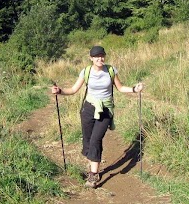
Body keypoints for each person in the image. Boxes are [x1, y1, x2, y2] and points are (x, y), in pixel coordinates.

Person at [51, 45, 144, 188]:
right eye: (96, 57)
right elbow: (73, 89)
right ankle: (92, 166)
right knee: (88, 141)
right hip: (88, 109)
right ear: (91, 58)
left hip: (105, 110)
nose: (100, 59)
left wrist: (134, 89)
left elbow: (120, 88)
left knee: (96, 139)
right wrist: (60, 91)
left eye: (102, 56)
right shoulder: (86, 72)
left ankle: (94, 176)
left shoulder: (111, 71)